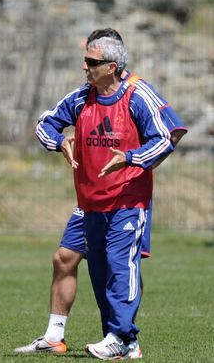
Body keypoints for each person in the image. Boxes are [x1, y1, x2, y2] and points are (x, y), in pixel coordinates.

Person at [15, 28, 187, 358]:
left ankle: (123, 335)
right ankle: (118, 340)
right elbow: (44, 123)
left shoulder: (137, 95)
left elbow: (167, 135)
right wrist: (58, 141)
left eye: (91, 62)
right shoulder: (82, 97)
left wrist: (133, 158)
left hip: (128, 200)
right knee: (98, 271)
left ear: (111, 66)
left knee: (121, 265)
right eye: (85, 60)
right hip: (91, 203)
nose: (85, 67)